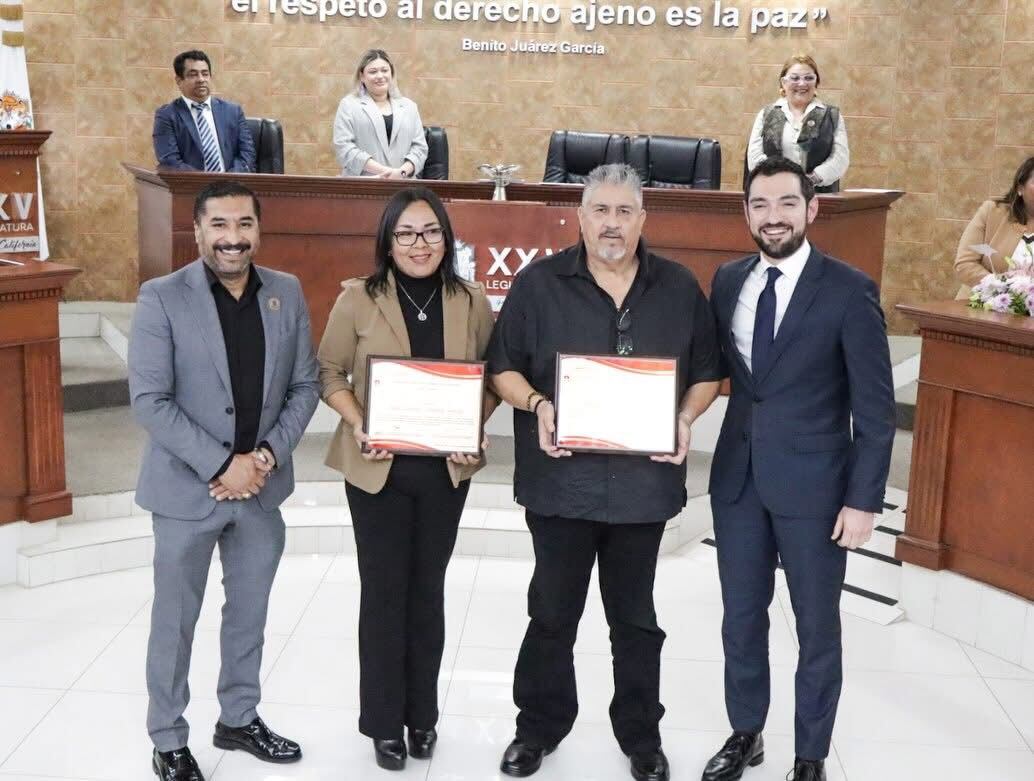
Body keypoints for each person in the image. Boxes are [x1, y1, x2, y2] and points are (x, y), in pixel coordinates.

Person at [485, 163, 724, 781]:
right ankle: (537, 729)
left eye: (624, 212)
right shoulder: (538, 284)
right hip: (561, 485)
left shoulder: (676, 287)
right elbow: (502, 366)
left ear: (643, 219)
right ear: (580, 216)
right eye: (600, 211)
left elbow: (705, 371)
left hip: (643, 491)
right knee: (551, 614)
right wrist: (538, 404)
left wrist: (684, 417)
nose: (612, 224)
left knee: (636, 621)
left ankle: (642, 737)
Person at [703, 156, 895, 781]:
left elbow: (874, 408)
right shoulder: (729, 280)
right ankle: (746, 732)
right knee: (740, 617)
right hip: (738, 483)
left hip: (816, 488)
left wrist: (865, 500)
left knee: (816, 628)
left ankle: (809, 754)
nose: (773, 216)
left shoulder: (848, 289)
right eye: (760, 205)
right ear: (747, 213)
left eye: (787, 203)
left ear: (812, 209)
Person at [129, 181, 319, 781]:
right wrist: (222, 464)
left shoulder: (284, 293)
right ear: (198, 230)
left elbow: (305, 386)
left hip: (260, 493)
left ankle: (238, 717)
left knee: (249, 614)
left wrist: (264, 457)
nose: (233, 238)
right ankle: (168, 738)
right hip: (188, 493)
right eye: (219, 225)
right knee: (176, 619)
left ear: (259, 230)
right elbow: (150, 400)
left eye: (244, 225)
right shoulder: (161, 297)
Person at [317, 187, 497, 771]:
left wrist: (475, 424)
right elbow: (328, 372)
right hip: (377, 472)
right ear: (388, 242)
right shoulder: (358, 300)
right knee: (385, 593)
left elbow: (493, 377)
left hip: (446, 471)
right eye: (407, 234)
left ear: (447, 238)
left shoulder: (471, 301)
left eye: (431, 232)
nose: (420, 244)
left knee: (428, 594)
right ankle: (382, 721)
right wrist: (359, 420)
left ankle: (423, 716)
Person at [746, 54, 848, 193]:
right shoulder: (766, 114)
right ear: (783, 82)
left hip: (820, 199)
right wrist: (781, 181)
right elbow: (754, 158)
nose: (802, 83)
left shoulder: (831, 116)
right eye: (795, 78)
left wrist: (810, 180)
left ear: (816, 82)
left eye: (809, 78)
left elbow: (840, 159)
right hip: (774, 195)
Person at [153, 50, 256, 173]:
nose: (201, 79)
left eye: (205, 74)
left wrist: (228, 181)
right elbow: (170, 161)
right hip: (191, 188)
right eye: (193, 74)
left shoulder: (233, 111)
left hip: (232, 186)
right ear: (179, 80)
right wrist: (207, 184)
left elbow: (247, 154)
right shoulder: (167, 115)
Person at [332, 49, 428, 178]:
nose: (380, 76)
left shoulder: (409, 107)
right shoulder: (348, 105)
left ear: (391, 73)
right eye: (373, 72)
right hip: (365, 184)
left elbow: (419, 149)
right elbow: (344, 148)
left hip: (404, 185)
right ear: (362, 76)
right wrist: (386, 172)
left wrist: (401, 173)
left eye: (384, 70)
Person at [954, 156, 1034, 296]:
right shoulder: (992, 212)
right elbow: (965, 264)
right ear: (1020, 187)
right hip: (982, 307)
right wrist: (1005, 288)